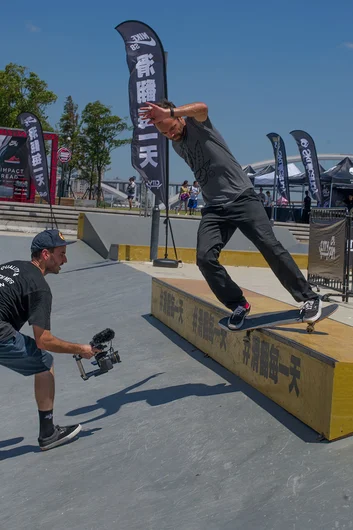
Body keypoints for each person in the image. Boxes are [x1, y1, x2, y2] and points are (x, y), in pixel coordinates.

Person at [140, 99, 322, 329]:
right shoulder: (177, 146)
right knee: (204, 258)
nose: (172, 135)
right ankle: (238, 304)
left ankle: (309, 297)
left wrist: (169, 111)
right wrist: (164, 119)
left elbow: (202, 108)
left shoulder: (198, 125)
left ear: (179, 118)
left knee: (269, 245)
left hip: (241, 197)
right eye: (165, 133)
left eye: (172, 128)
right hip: (215, 208)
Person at [0, 229, 100, 451]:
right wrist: (81, 348)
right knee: (44, 362)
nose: (65, 259)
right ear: (46, 255)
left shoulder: (12, 266)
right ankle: (48, 433)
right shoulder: (40, 287)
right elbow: (43, 340)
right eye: (61, 254)